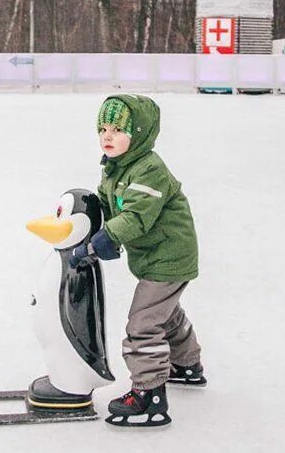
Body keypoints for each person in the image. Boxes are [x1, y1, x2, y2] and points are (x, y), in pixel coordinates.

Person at [69, 94, 205, 428]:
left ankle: (149, 394)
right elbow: (106, 202)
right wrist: (86, 218)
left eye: (117, 129)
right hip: (153, 254)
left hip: (168, 256)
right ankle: (187, 365)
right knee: (165, 314)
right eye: (102, 128)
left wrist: (105, 239)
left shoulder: (149, 169)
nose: (107, 136)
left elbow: (136, 217)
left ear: (140, 132)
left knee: (143, 324)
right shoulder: (116, 167)